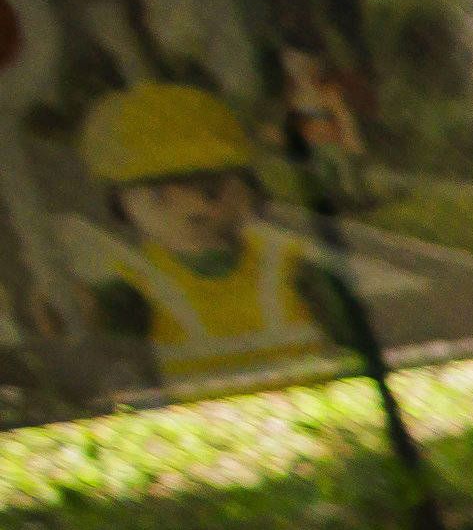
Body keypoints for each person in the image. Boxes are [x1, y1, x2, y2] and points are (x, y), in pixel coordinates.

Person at [75, 82, 358, 397]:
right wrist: (78, 309)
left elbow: (351, 329)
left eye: (211, 190)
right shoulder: (140, 285)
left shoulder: (288, 265)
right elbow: (105, 322)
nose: (195, 207)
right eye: (160, 197)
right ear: (124, 206)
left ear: (246, 189)